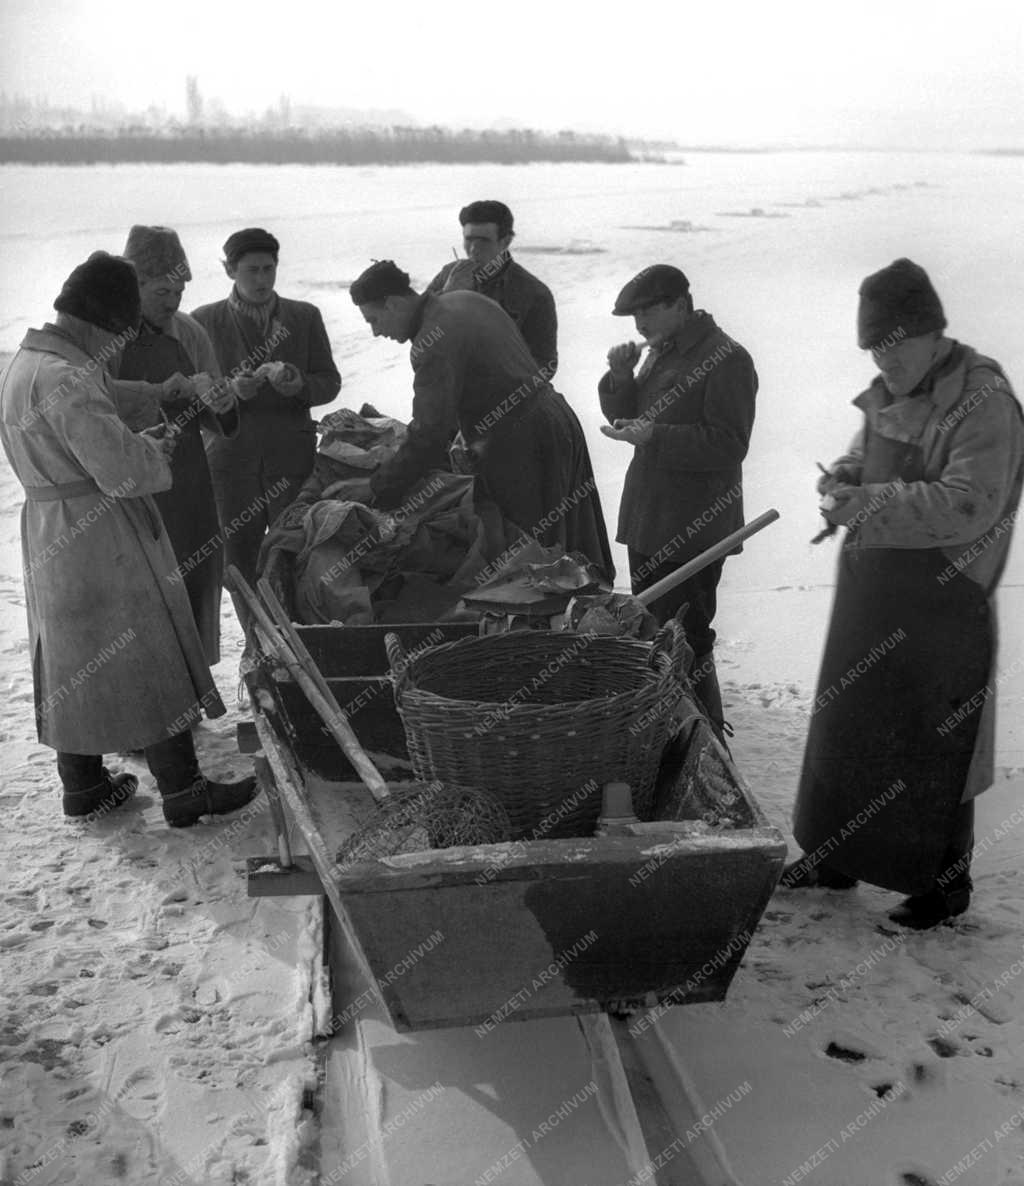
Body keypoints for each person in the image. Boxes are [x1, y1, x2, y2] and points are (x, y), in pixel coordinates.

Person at [781, 258, 1024, 929]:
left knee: (934, 740)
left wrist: (868, 502)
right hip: (872, 596)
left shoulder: (985, 402)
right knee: (850, 726)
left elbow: (969, 504)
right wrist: (842, 478)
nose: (883, 365)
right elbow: (866, 453)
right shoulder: (890, 387)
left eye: (893, 349)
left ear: (930, 333)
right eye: (873, 352)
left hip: (943, 604)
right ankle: (835, 858)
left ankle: (944, 886)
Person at [0, 252, 258, 827]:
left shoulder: (27, 363)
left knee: (74, 659)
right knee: (149, 648)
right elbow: (125, 472)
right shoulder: (67, 377)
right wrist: (154, 450)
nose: (116, 348)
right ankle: (184, 790)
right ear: (99, 324)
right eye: (118, 335)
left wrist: (156, 394)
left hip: (51, 529)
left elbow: (101, 398)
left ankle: (84, 786)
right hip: (101, 533)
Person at [349, 260, 613, 578]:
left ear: (392, 303)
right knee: (571, 541)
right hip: (557, 419)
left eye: (374, 320)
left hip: (521, 443)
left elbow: (429, 433)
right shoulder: (465, 300)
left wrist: (380, 488)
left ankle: (537, 623)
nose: (376, 332)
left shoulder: (430, 343)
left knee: (527, 554)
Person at [599, 264, 757, 738]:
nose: (639, 324)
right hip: (650, 517)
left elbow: (729, 443)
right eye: (634, 316)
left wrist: (656, 435)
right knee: (652, 629)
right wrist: (621, 377)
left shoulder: (727, 358)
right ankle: (667, 733)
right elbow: (629, 416)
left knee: (689, 636)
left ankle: (706, 739)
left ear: (679, 305)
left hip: (694, 526)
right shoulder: (661, 354)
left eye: (647, 311)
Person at [108, 225, 238, 666]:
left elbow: (218, 413)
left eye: (181, 290)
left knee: (193, 575)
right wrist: (157, 393)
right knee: (140, 585)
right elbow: (87, 401)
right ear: (135, 284)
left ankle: (192, 690)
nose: (174, 301)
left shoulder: (189, 333)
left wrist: (219, 401)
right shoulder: (108, 336)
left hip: (187, 479)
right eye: (163, 290)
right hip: (129, 480)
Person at [191, 228, 341, 604]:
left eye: (269, 269)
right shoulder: (202, 322)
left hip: (292, 463)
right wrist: (230, 393)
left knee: (295, 557)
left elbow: (330, 382)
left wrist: (298, 383)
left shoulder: (305, 316)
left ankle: (294, 642)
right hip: (230, 467)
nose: (262, 279)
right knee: (238, 567)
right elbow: (192, 400)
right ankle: (256, 646)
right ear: (229, 271)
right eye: (252, 270)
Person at [427, 200, 558, 375]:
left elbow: (546, 364)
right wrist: (447, 296)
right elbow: (412, 325)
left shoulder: (534, 293)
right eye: (469, 239)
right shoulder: (448, 275)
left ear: (506, 241)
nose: (473, 249)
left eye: (483, 241)